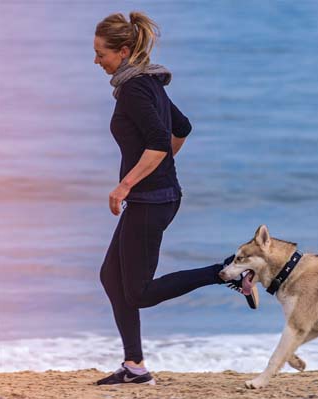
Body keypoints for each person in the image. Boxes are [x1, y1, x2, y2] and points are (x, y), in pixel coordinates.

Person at [93, 11, 258, 386]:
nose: (96, 60)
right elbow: (180, 129)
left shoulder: (137, 88)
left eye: (100, 52)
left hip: (152, 201)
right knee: (111, 277)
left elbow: (157, 144)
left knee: (138, 293)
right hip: (157, 196)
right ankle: (134, 366)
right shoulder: (147, 82)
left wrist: (127, 184)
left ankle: (227, 271)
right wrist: (158, 169)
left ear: (121, 51)